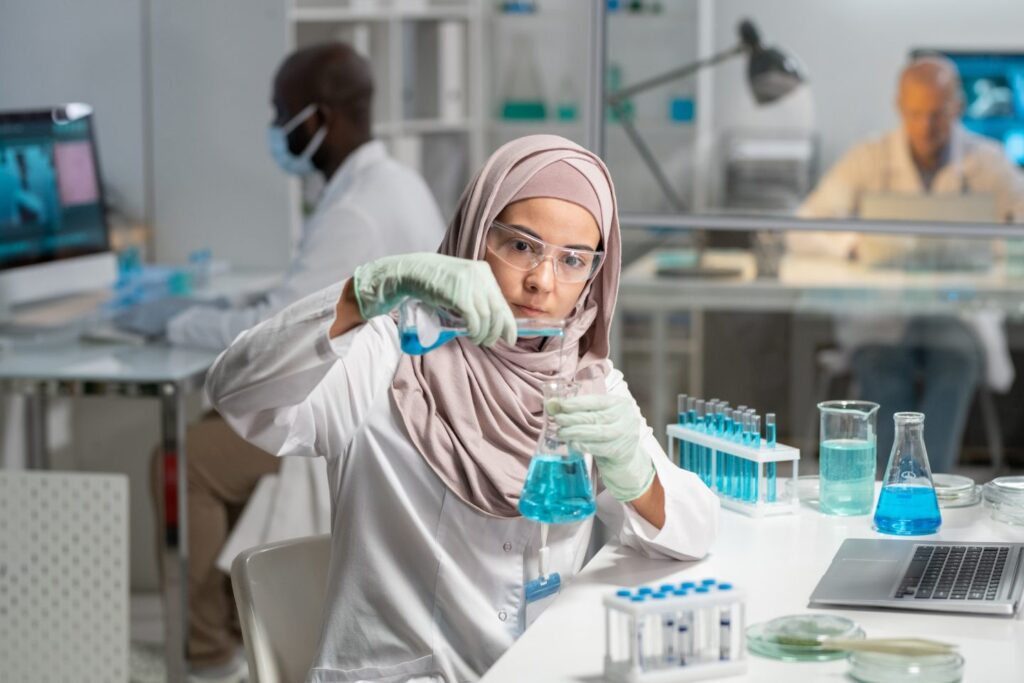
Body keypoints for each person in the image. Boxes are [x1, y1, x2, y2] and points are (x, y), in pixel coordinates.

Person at [206, 135, 719, 682]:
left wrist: (637, 476)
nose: (542, 280)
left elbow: (695, 532)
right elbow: (239, 392)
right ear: (477, 233)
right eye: (521, 245)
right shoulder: (389, 352)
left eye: (573, 260)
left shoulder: (588, 380)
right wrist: (363, 292)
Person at [151, 43, 447, 682]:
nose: (276, 130)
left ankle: (206, 658)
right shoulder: (393, 182)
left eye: (281, 114)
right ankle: (228, 626)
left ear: (320, 121)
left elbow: (269, 336)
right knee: (210, 425)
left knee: (189, 458)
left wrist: (172, 319)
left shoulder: (354, 210)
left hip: (362, 414)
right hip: (397, 400)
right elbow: (298, 303)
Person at [793, 55, 1024, 471]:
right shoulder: (868, 157)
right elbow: (804, 226)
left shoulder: (986, 161)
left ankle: (927, 486)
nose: (926, 126)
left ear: (957, 107)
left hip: (956, 314)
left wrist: (994, 247)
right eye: (915, 113)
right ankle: (893, 487)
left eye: (937, 114)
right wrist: (852, 246)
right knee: (882, 368)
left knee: (956, 361)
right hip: (883, 313)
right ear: (900, 107)